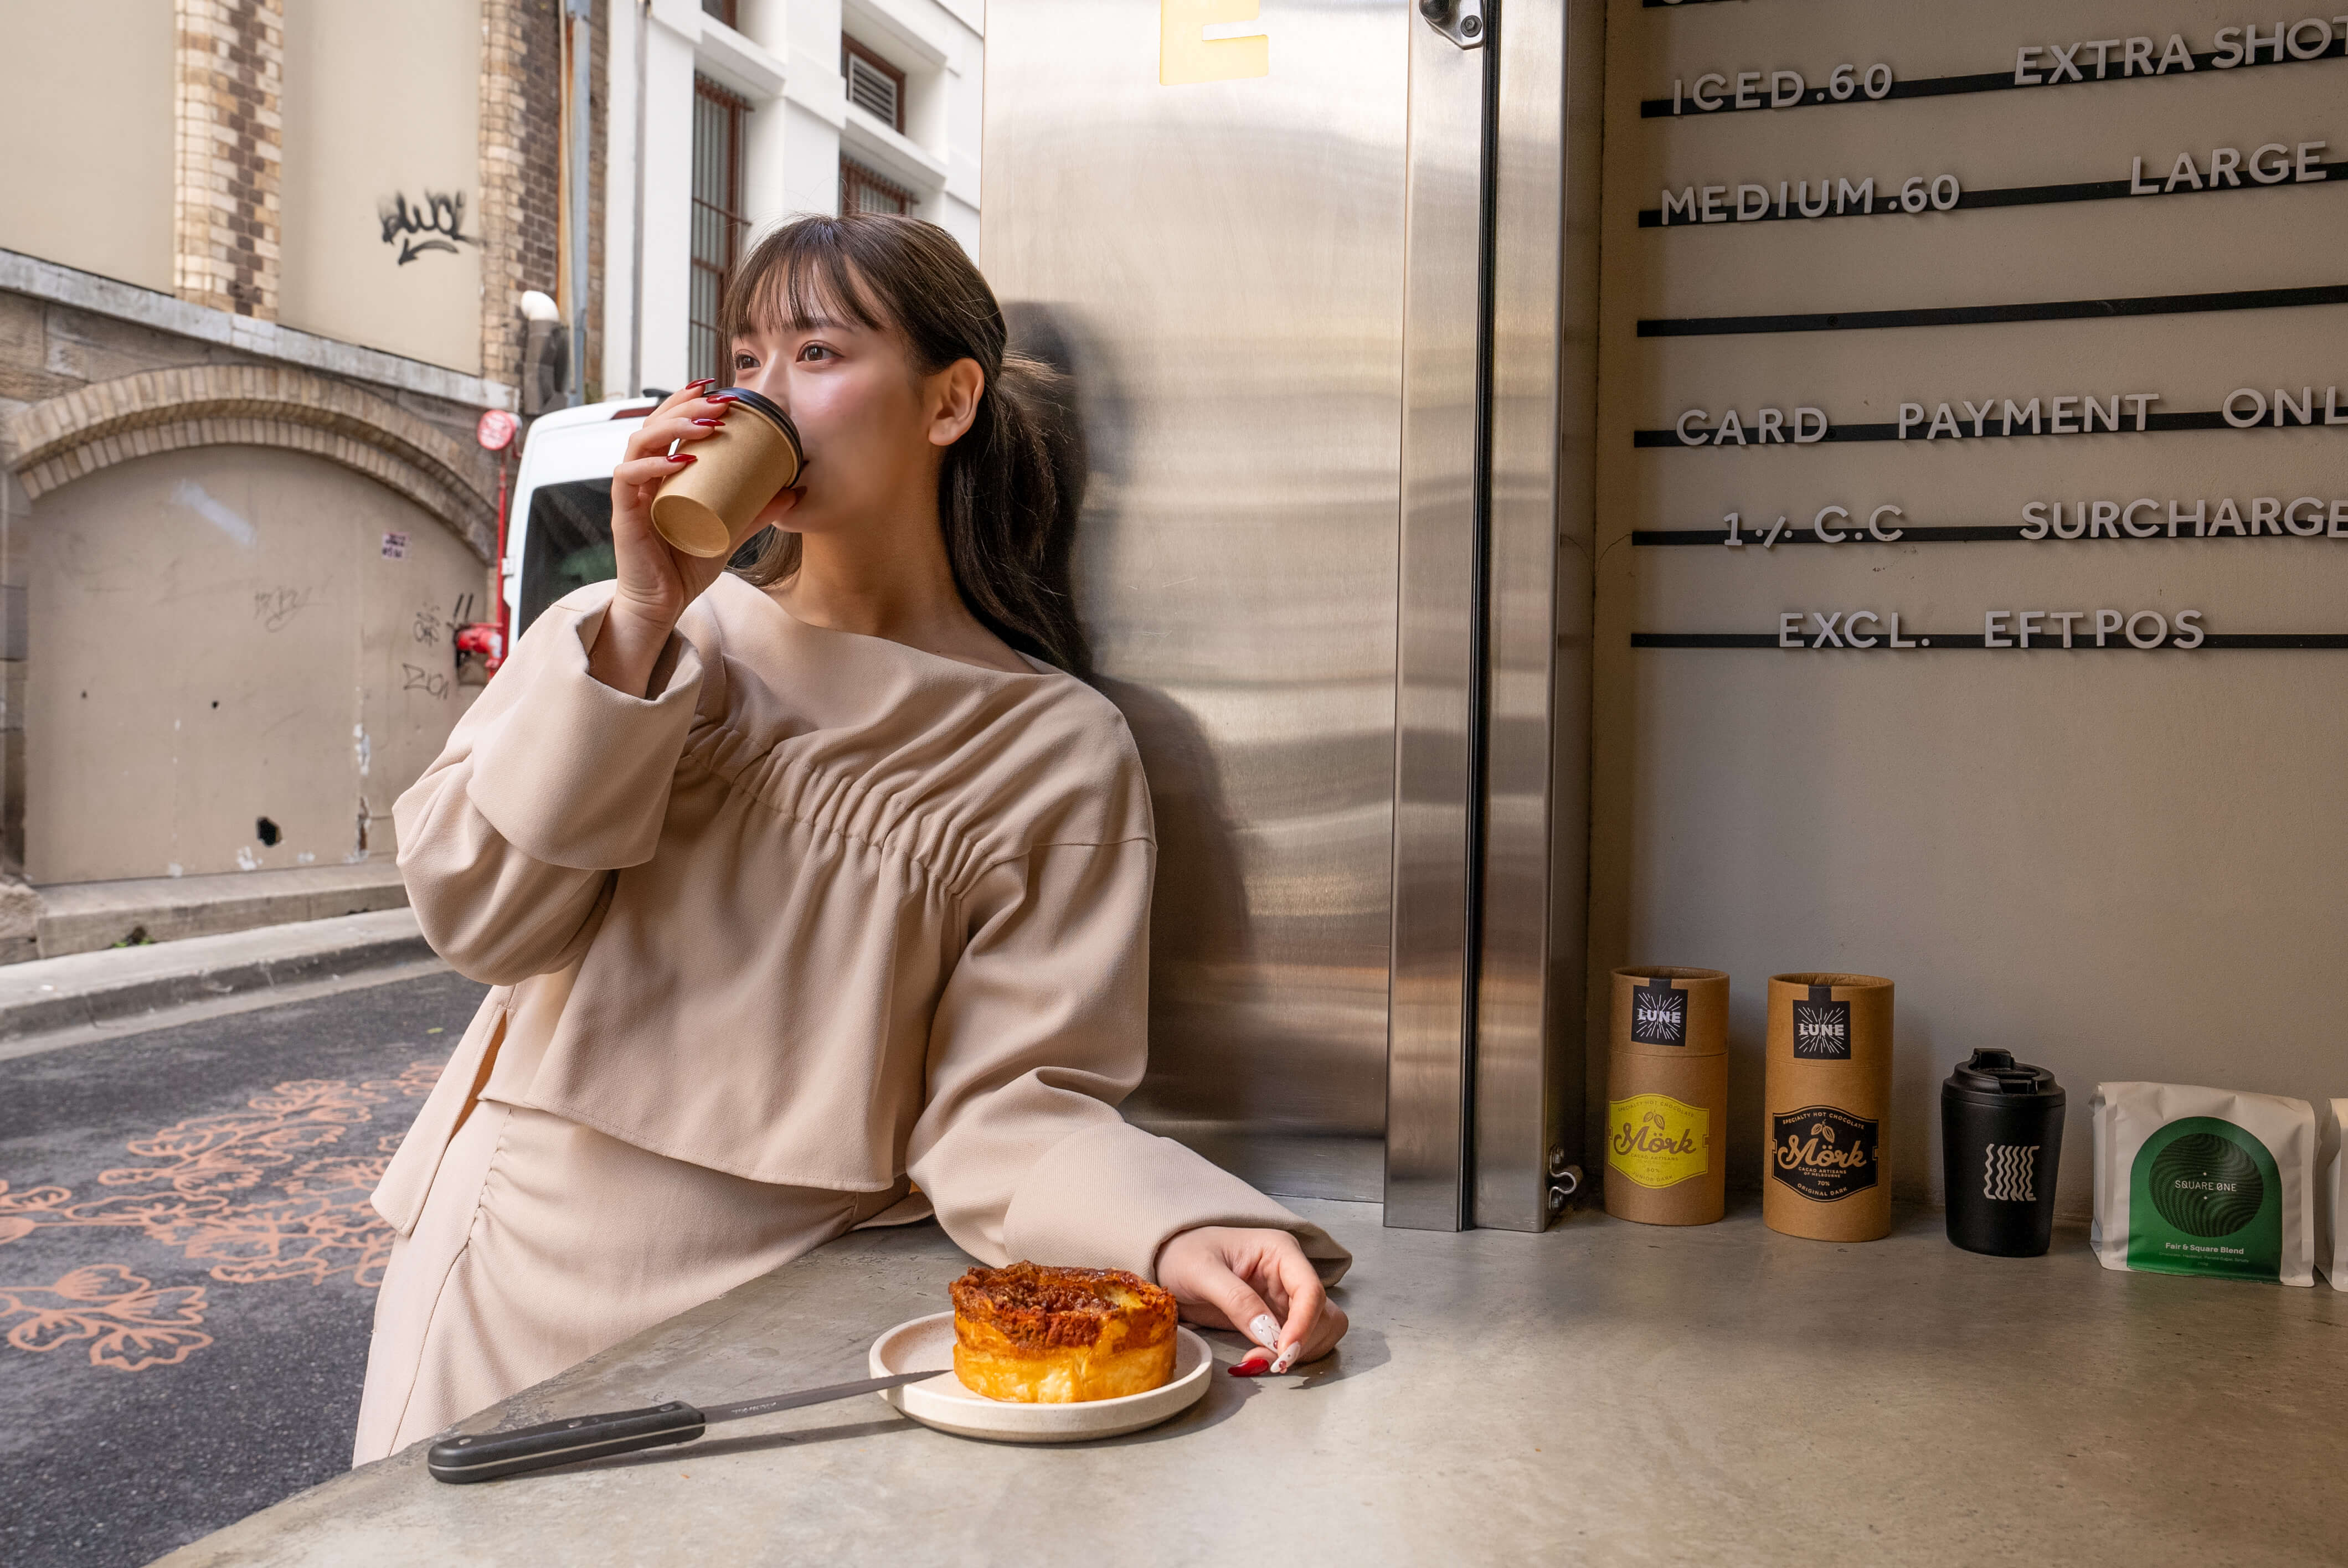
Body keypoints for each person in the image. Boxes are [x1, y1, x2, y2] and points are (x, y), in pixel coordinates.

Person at [353, 214, 1350, 1463]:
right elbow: (480, 924)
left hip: (778, 1311)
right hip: (507, 1259)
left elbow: (1006, 1109)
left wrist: (1176, 1231)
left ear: (949, 403)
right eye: (745, 360)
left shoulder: (1051, 745)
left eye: (817, 353)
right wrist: (645, 621)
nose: (762, 395)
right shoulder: (641, 635)